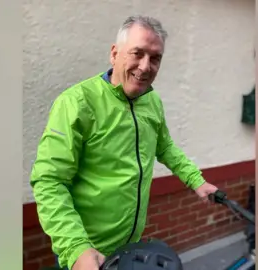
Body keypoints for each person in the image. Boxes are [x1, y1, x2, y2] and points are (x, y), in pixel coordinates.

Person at [30, 15, 219, 270]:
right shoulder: (76, 103)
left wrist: (196, 181)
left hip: (132, 248)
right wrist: (76, 249)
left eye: (155, 58)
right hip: (88, 252)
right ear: (114, 53)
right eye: (137, 53)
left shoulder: (151, 102)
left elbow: (164, 147)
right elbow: (49, 181)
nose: (145, 66)